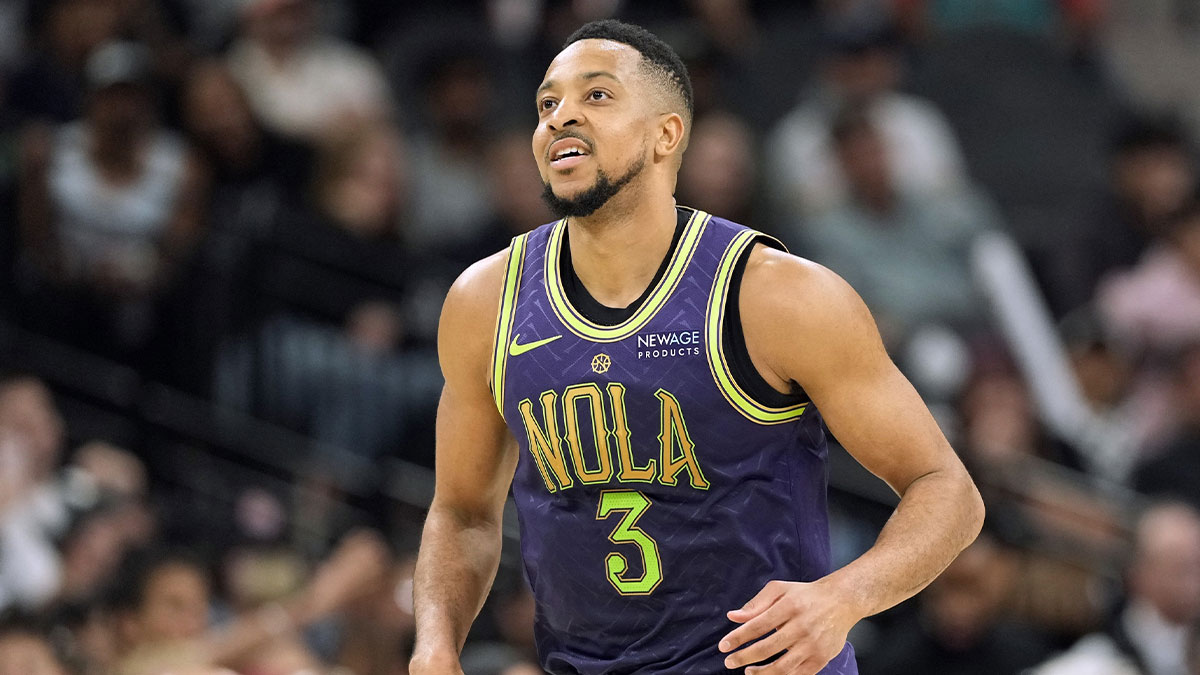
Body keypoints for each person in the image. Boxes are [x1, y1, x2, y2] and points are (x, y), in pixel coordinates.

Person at [410, 20, 984, 675]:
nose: (561, 116)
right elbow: (462, 511)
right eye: (547, 104)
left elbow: (948, 490)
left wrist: (843, 596)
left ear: (666, 134)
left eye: (596, 96)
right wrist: (435, 643)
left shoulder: (774, 295)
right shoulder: (485, 303)